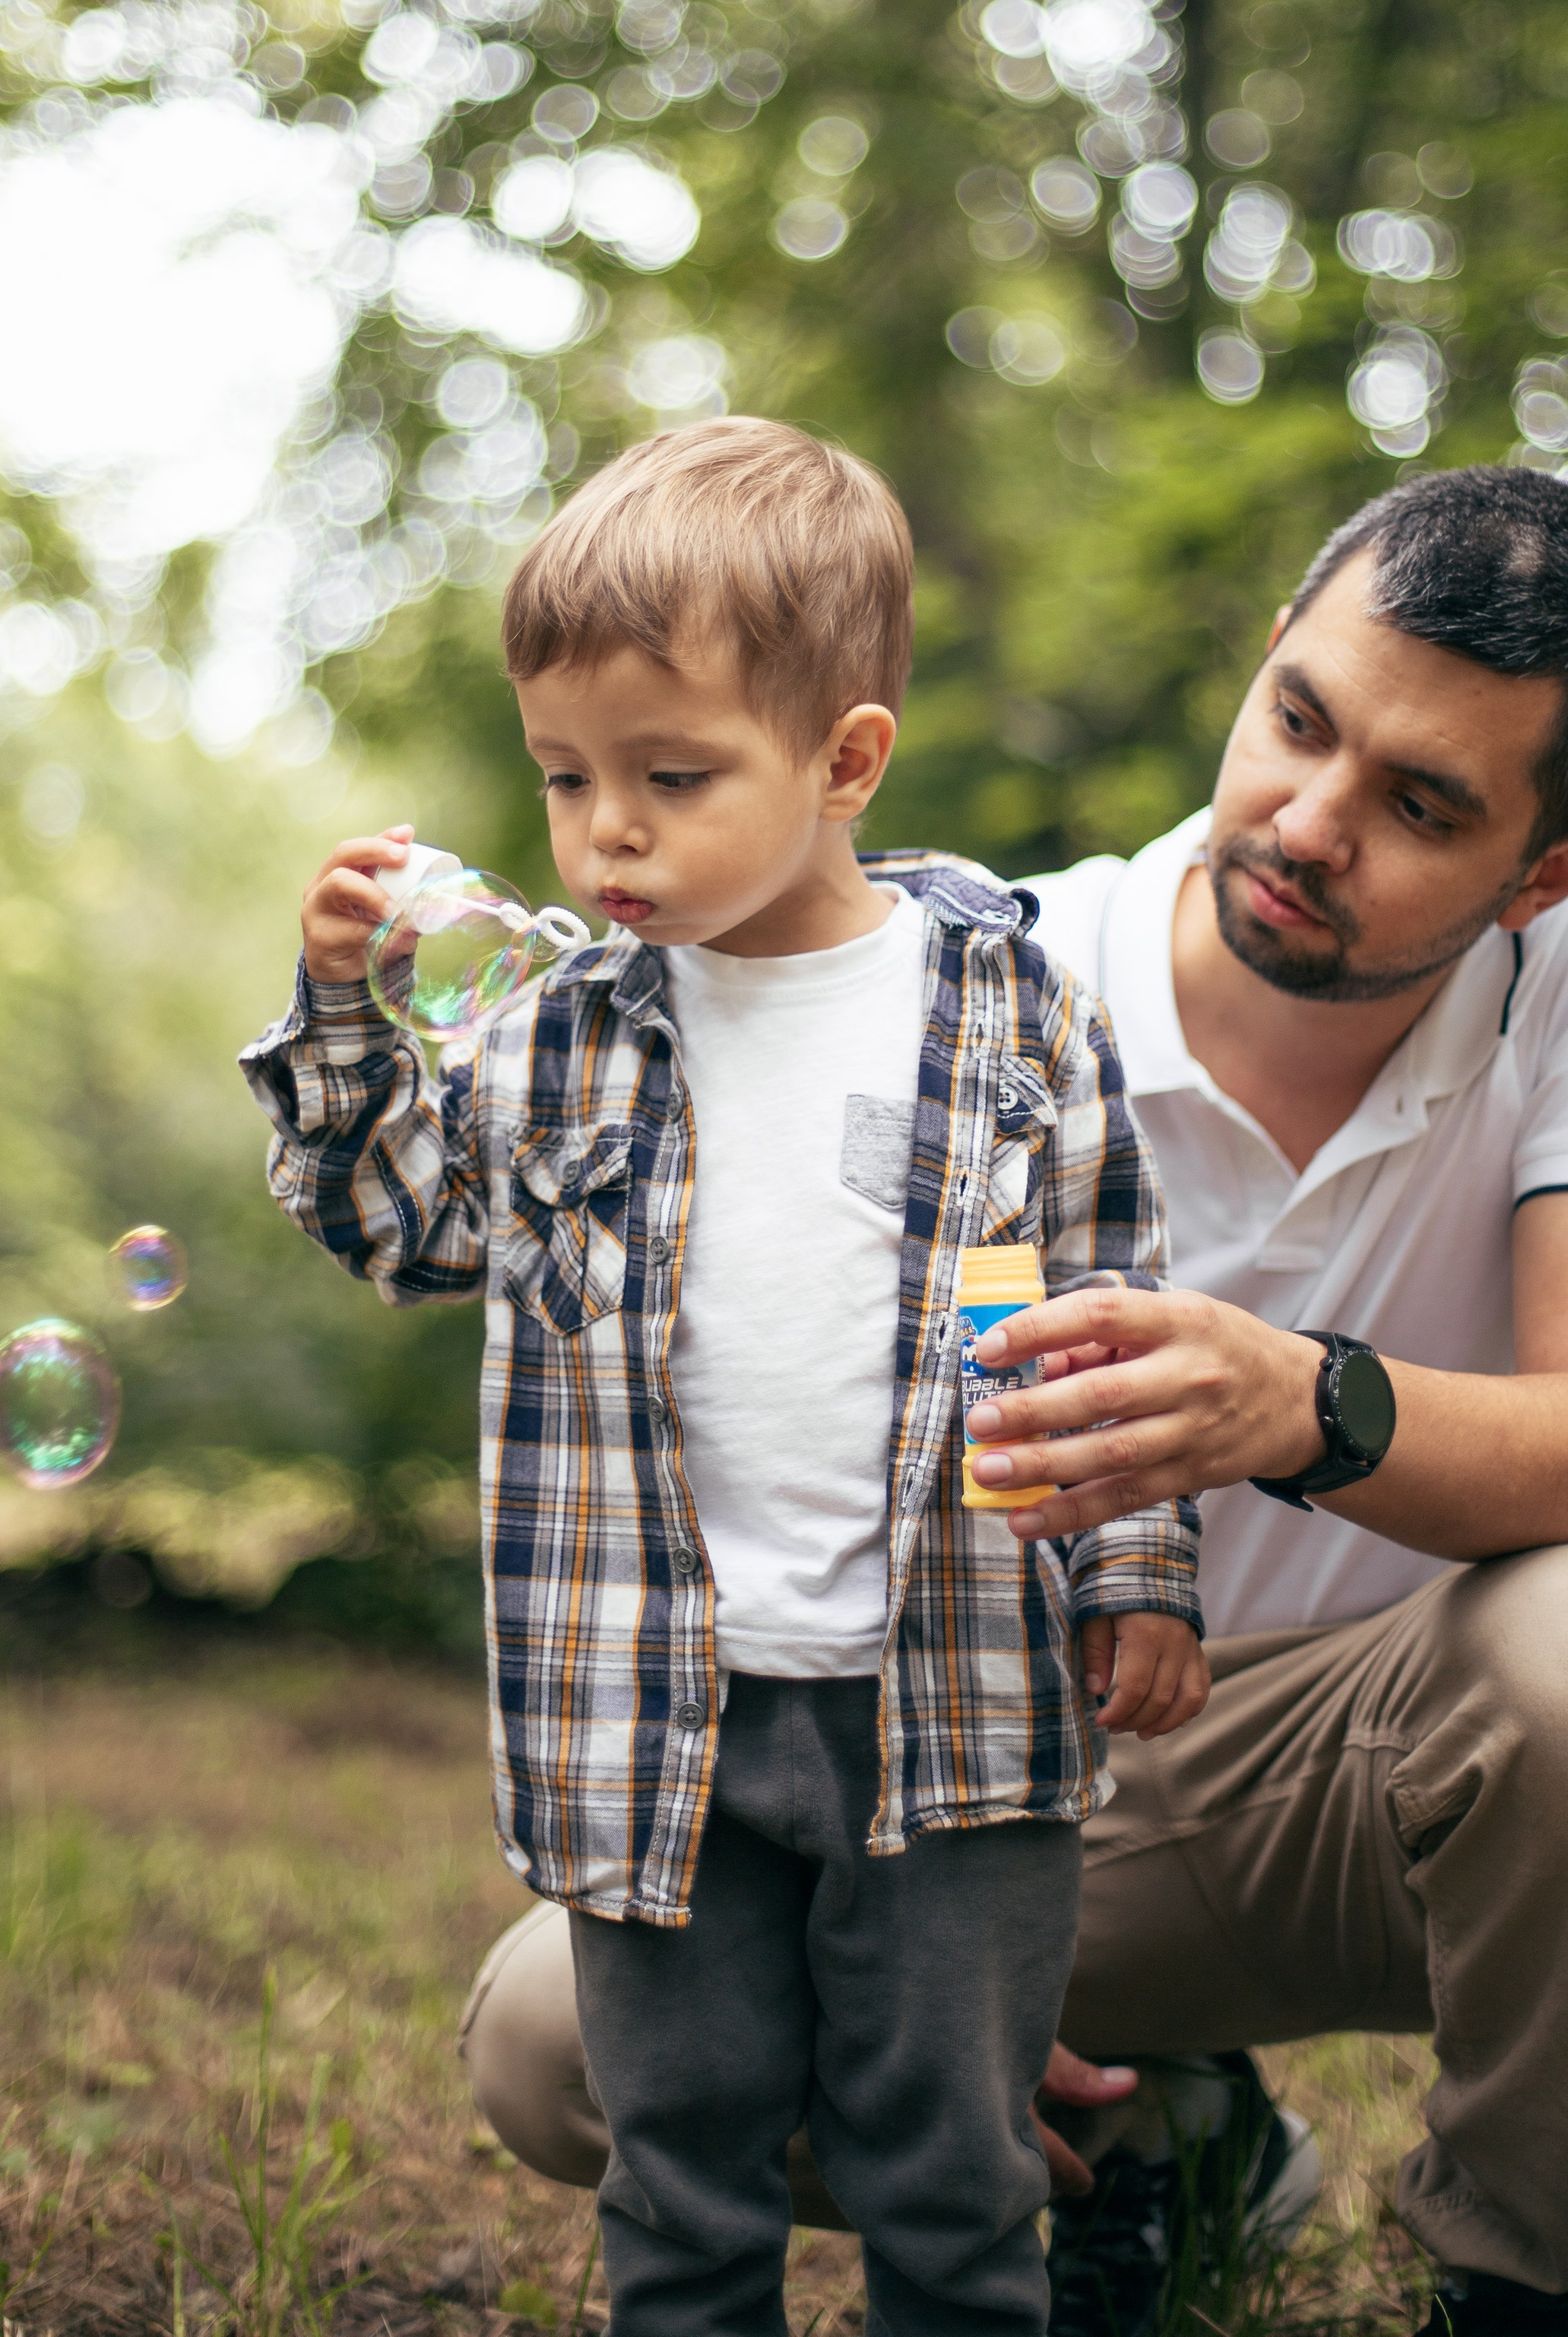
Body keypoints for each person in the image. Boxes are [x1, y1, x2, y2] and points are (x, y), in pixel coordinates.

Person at [465, 463, 1568, 2337]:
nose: (1307, 822)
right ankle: (1153, 2134)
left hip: (1377, 1765)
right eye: (1297, 723)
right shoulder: (1001, 982)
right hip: (1008, 1764)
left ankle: (1527, 2282)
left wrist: (1295, 1403)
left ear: (1546, 868)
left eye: (1419, 806)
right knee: (548, 2040)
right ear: (1260, 667)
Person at [242, 416, 1206, 2337]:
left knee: (948, 2171)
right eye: (564, 777)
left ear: (845, 760)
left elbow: (1109, 1310)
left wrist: (1142, 1573)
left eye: (671, 776)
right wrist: (344, 1013)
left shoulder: (1010, 1015)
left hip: (959, 1697)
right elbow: (393, 1226)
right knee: (681, 2175)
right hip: (646, 1711)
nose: (605, 832)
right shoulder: (550, 1041)